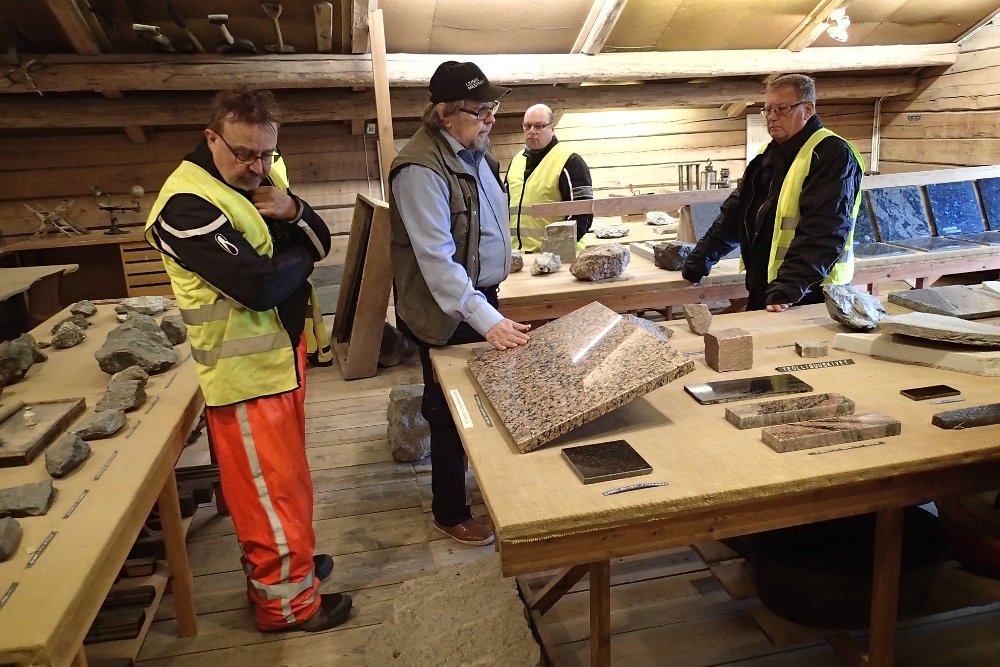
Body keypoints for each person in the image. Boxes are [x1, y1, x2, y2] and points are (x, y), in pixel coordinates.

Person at [144, 87, 351, 633]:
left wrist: (296, 212)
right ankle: (287, 606)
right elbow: (260, 287)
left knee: (288, 485)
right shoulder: (186, 205)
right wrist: (299, 250)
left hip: (279, 361)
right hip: (244, 379)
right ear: (211, 138)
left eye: (265, 154)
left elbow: (320, 241)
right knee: (267, 495)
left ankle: (294, 568)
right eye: (244, 154)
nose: (257, 167)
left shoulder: (258, 175)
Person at [388, 61, 531, 546]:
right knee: (450, 411)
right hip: (445, 309)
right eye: (479, 110)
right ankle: (449, 512)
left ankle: (487, 487)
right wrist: (486, 320)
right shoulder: (420, 170)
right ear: (444, 114)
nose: (490, 118)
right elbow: (437, 263)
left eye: (492, 108)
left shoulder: (475, 153)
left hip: (478, 297)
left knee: (486, 399)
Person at [681, 74, 864, 312]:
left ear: (808, 110)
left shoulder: (832, 154)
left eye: (782, 109)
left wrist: (788, 287)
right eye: (767, 110)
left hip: (810, 292)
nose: (772, 117)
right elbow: (736, 213)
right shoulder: (766, 155)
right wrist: (700, 259)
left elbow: (825, 228)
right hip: (768, 284)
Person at [506, 103, 593, 252]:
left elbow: (582, 214)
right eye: (528, 126)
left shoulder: (570, 162)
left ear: (552, 128)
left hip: (559, 257)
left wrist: (555, 253)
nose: (532, 131)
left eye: (538, 126)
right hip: (519, 255)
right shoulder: (516, 161)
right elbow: (505, 207)